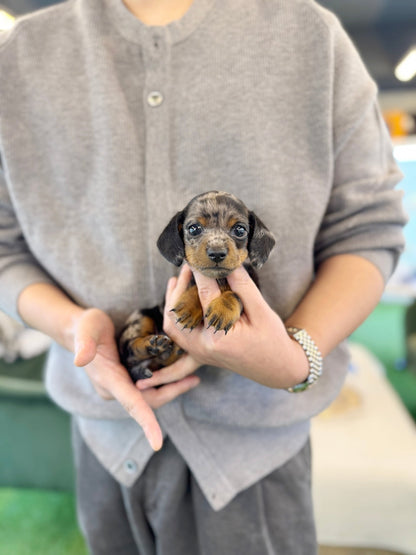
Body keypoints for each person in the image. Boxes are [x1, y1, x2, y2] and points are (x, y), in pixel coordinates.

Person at [0, 0, 407, 553]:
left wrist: (297, 353)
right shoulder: (19, 57)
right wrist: (72, 325)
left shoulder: (310, 35)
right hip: (103, 444)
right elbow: (4, 246)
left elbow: (368, 229)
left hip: (256, 456)